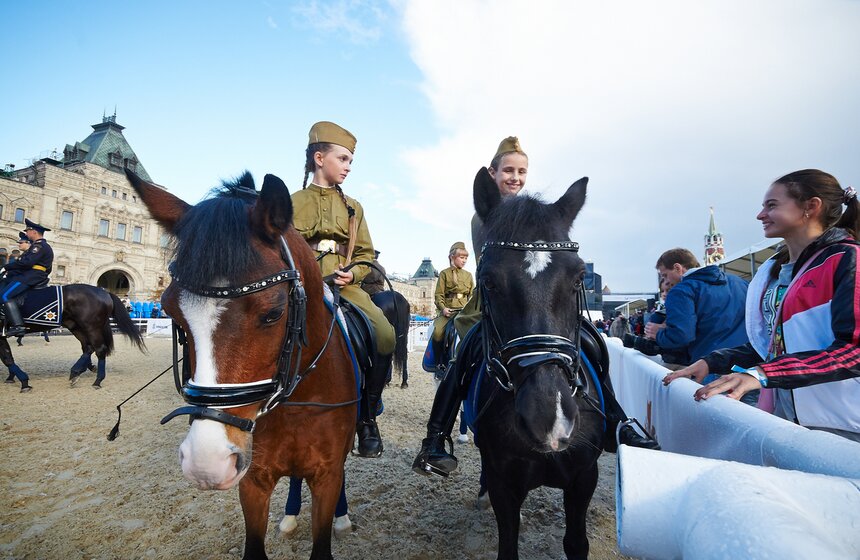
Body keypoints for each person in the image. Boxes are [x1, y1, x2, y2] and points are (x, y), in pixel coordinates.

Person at [413, 137, 659, 478]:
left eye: (522, 171)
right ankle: (435, 438)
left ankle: (615, 420)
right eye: (508, 170)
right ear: (493, 172)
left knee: (590, 342)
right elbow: (495, 262)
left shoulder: (538, 211)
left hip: (541, 297)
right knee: (465, 354)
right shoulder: (485, 213)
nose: (515, 177)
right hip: (501, 300)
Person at [664, 169, 860, 442]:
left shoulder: (848, 260)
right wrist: (713, 361)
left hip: (843, 425)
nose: (760, 215)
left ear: (810, 207)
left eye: (772, 205)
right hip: (795, 422)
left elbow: (854, 352)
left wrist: (763, 374)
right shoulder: (779, 270)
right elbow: (774, 344)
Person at [291, 121, 396, 458]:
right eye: (344, 159)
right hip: (300, 288)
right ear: (319, 158)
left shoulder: (354, 207)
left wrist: (353, 273)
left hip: (343, 286)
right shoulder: (292, 202)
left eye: (351, 161)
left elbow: (365, 252)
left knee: (385, 334)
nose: (349, 167)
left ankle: (366, 416)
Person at [644, 248, 749, 369]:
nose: (666, 281)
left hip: (710, 365)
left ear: (678, 268)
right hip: (747, 366)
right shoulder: (740, 282)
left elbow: (681, 335)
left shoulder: (681, 291)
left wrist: (659, 333)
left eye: (665, 275)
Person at [1, 221, 53, 339]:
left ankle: (18, 326)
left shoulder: (39, 245)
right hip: (32, 274)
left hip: (32, 275)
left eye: (28, 231)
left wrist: (6, 267)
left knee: (5, 295)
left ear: (34, 232)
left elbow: (27, 262)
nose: (27, 233)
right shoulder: (39, 246)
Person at [430, 242, 473, 366]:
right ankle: (438, 363)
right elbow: (439, 295)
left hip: (464, 312)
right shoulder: (444, 274)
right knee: (438, 333)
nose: (464, 261)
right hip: (448, 311)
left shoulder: (469, 275)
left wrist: (470, 310)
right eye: (461, 257)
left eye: (466, 258)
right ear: (452, 257)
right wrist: (443, 309)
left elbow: (472, 296)